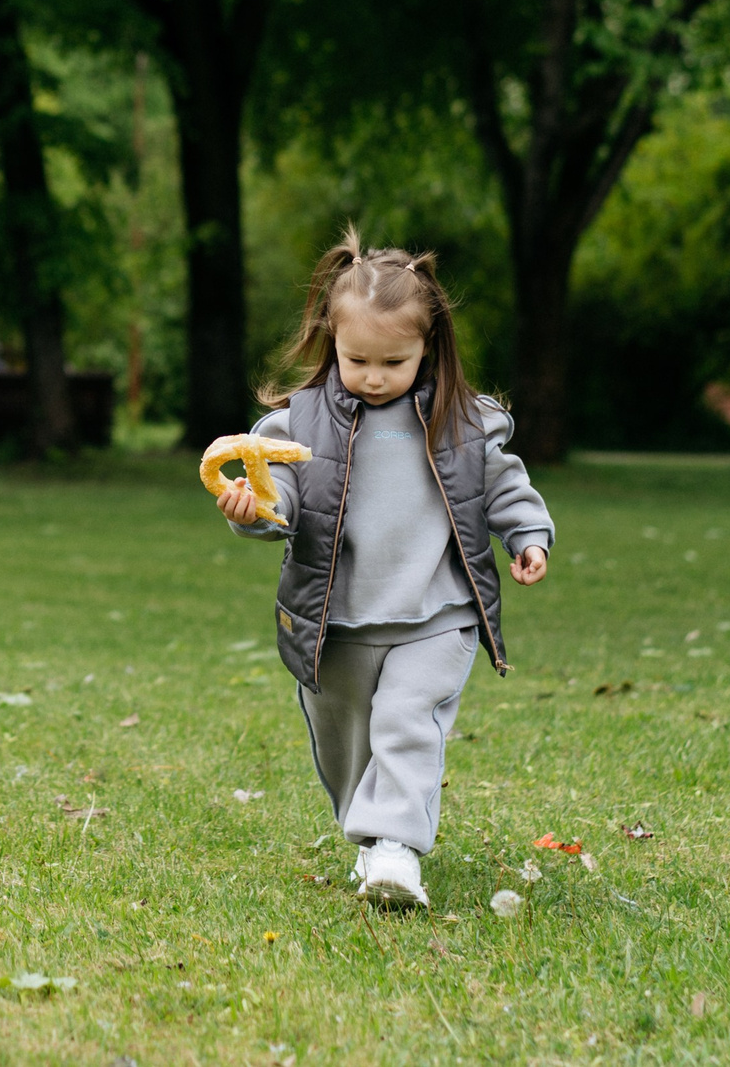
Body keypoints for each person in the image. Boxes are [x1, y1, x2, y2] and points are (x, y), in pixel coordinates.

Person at [210, 228, 555, 909]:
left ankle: (397, 850)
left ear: (429, 348)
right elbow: (277, 504)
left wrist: (528, 535)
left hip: (437, 612)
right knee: (347, 744)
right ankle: (371, 842)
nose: (373, 376)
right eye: (356, 358)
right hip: (336, 621)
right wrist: (250, 512)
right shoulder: (294, 426)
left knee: (406, 717)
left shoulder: (462, 421)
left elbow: (504, 486)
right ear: (330, 344)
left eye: (394, 361)